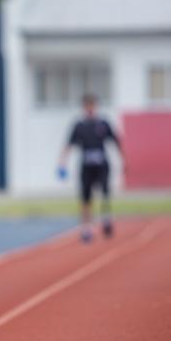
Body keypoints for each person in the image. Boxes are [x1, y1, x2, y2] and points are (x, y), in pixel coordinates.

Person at [57, 93, 123, 243]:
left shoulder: (104, 124)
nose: (90, 109)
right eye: (87, 106)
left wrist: (124, 160)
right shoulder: (79, 126)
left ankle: (106, 219)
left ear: (96, 106)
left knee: (105, 193)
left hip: (102, 165)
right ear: (84, 108)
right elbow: (69, 145)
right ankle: (86, 229)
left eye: (92, 105)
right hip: (86, 166)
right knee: (85, 198)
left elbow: (116, 141)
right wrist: (62, 163)